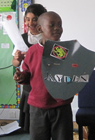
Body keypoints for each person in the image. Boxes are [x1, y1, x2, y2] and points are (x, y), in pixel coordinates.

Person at [13, 11, 74, 140]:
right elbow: (27, 73)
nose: (57, 28)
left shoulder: (65, 51)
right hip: (38, 107)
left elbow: (72, 75)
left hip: (61, 106)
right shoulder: (32, 51)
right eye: (52, 25)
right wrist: (21, 77)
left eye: (59, 25)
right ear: (40, 28)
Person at [12, 4, 47, 132]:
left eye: (34, 19)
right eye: (27, 19)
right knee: (33, 125)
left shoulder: (48, 38)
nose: (30, 23)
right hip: (28, 85)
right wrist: (18, 58)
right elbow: (15, 63)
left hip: (44, 84)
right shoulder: (22, 38)